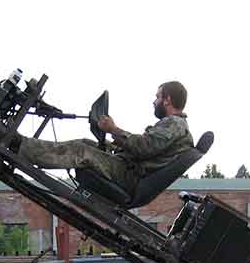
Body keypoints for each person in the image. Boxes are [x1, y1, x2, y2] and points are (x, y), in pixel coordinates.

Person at [12, 81, 196, 194]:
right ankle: (23, 145)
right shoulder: (175, 125)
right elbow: (149, 152)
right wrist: (112, 142)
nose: (154, 101)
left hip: (129, 176)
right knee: (85, 144)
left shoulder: (175, 123)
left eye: (157, 97)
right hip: (130, 170)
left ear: (168, 100)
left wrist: (113, 129)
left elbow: (145, 147)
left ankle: (17, 144)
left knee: (82, 152)